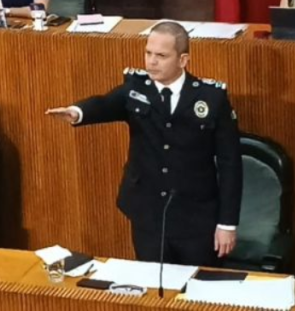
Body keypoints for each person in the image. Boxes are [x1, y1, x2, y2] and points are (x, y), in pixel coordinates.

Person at [46, 21, 242, 267]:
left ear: (183, 60)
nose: (151, 62)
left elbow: (230, 165)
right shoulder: (136, 89)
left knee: (197, 293)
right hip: (148, 214)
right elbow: (106, 103)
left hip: (196, 218)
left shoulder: (211, 98)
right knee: (152, 290)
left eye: (161, 56)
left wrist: (227, 224)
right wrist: (77, 112)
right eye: (148, 53)